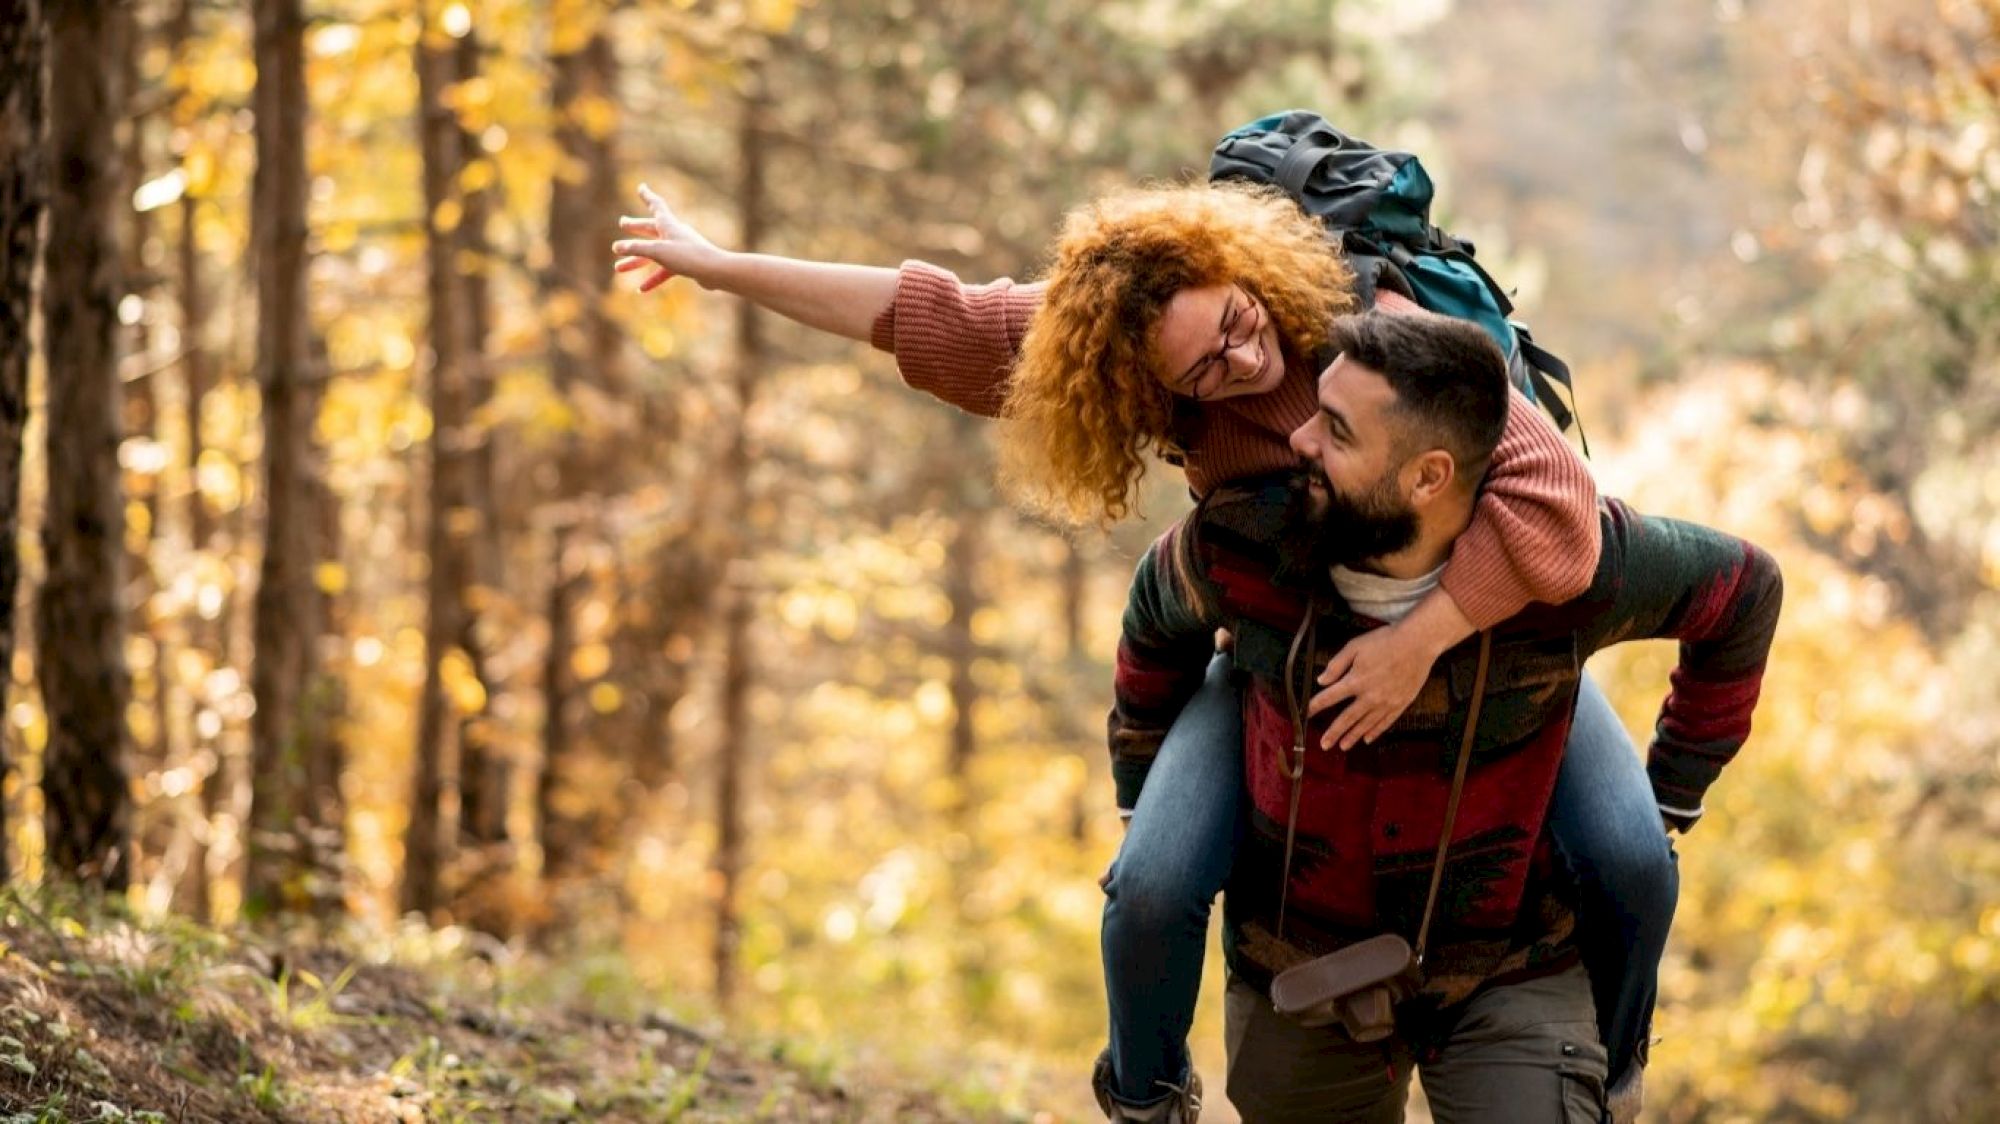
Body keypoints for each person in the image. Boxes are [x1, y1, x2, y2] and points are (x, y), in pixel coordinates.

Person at [611, 180, 1667, 1118]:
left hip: (1480, 653)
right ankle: (1145, 1094)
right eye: (1203, 372)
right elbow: (917, 313)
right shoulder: (1136, 359)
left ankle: (1607, 1072)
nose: (1241, 361)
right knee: (1150, 884)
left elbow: (1561, 513)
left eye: (1239, 326)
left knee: (1627, 857)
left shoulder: (1380, 334)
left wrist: (1423, 639)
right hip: (1267, 658)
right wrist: (714, 267)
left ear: (1244, 271)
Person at [1111, 309, 1781, 1122]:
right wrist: (1143, 783)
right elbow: (1153, 622)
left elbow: (1745, 592)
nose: (1297, 442)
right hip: (1299, 968)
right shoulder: (1244, 541)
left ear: (1429, 476)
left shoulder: (1577, 573)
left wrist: (1674, 784)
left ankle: (1617, 1062)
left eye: (1337, 431)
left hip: (1510, 967)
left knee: (1637, 862)